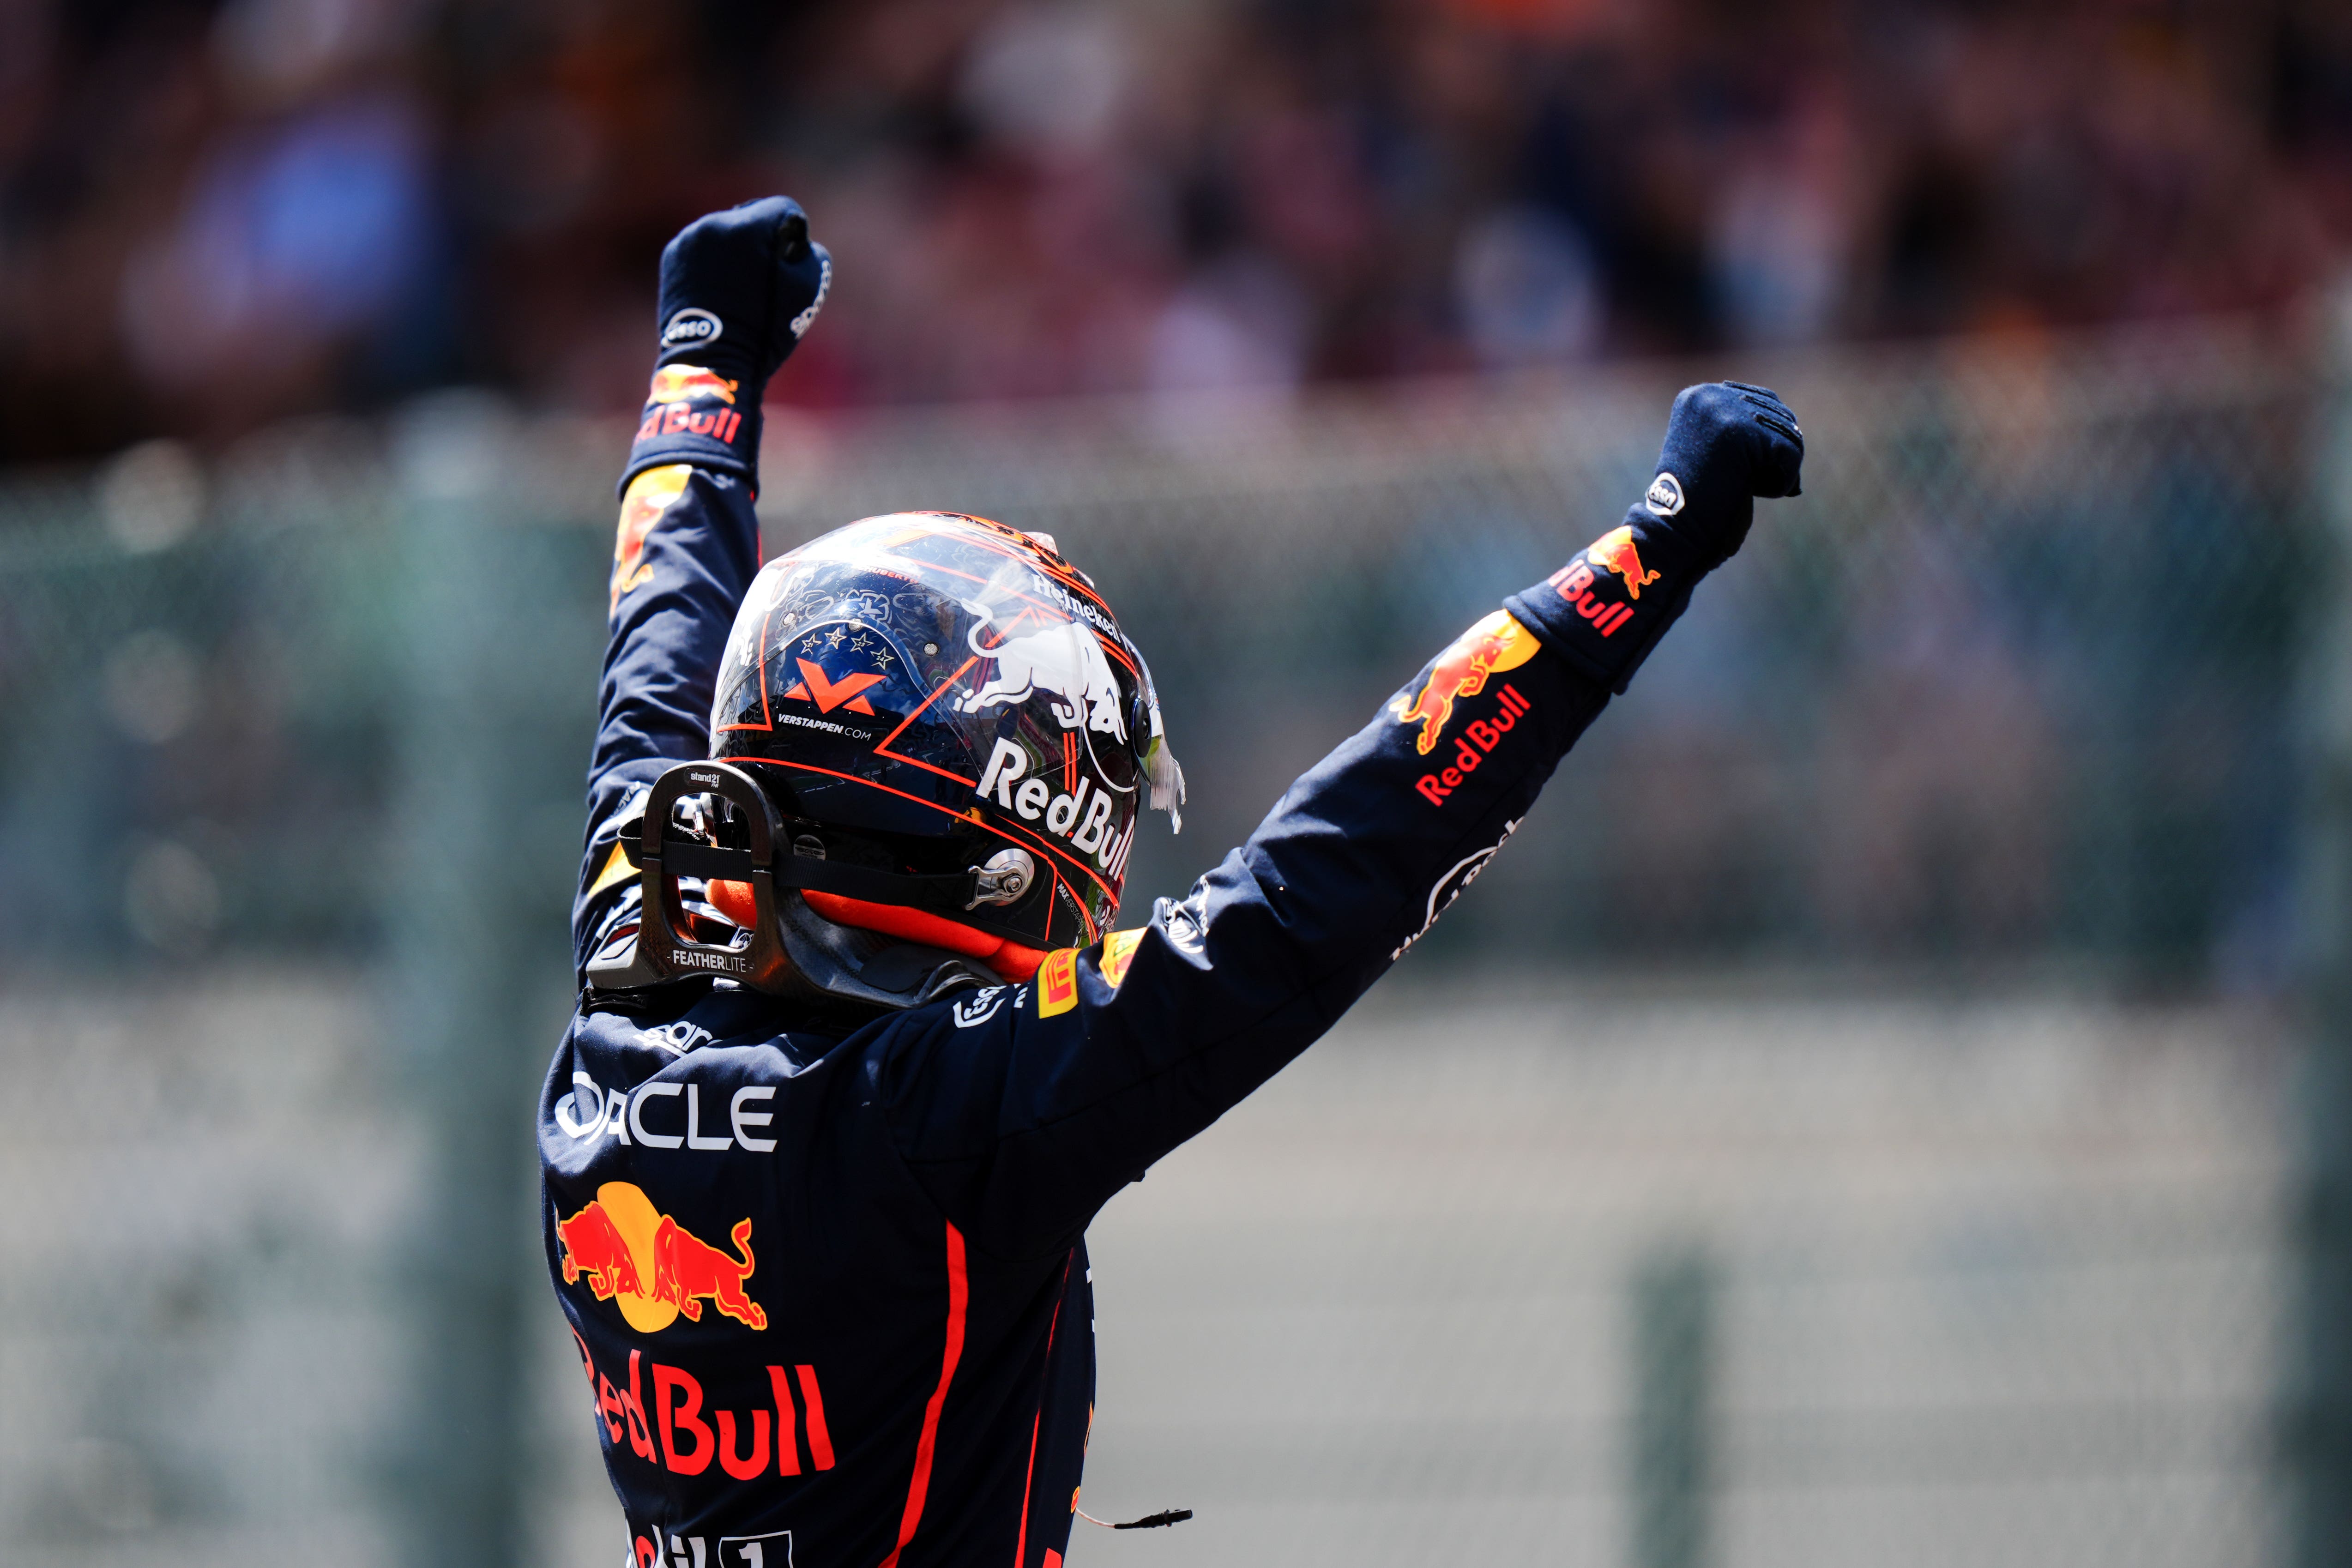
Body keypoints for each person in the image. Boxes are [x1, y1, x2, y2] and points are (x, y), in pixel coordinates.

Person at [541, 196, 1805, 1568]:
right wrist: (1649, 557)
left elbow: (655, 657)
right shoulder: (947, 1110)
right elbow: (1325, 881)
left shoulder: (633, 970)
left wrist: (700, 368)